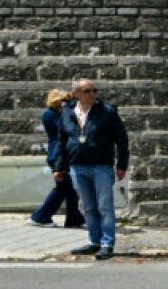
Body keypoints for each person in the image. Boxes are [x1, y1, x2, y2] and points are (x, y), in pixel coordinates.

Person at [55, 79, 129, 260]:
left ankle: (107, 243)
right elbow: (61, 141)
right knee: (88, 207)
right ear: (77, 94)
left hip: (101, 165)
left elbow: (121, 139)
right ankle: (94, 241)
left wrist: (122, 165)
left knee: (105, 206)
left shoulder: (107, 111)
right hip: (77, 166)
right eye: (88, 91)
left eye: (95, 90)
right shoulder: (67, 112)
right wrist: (59, 166)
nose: (93, 94)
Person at [29, 88, 85, 228]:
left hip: (65, 155)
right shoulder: (50, 114)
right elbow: (67, 129)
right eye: (65, 101)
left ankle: (74, 219)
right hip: (57, 156)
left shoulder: (62, 114)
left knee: (70, 190)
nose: (68, 104)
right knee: (61, 189)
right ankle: (40, 216)